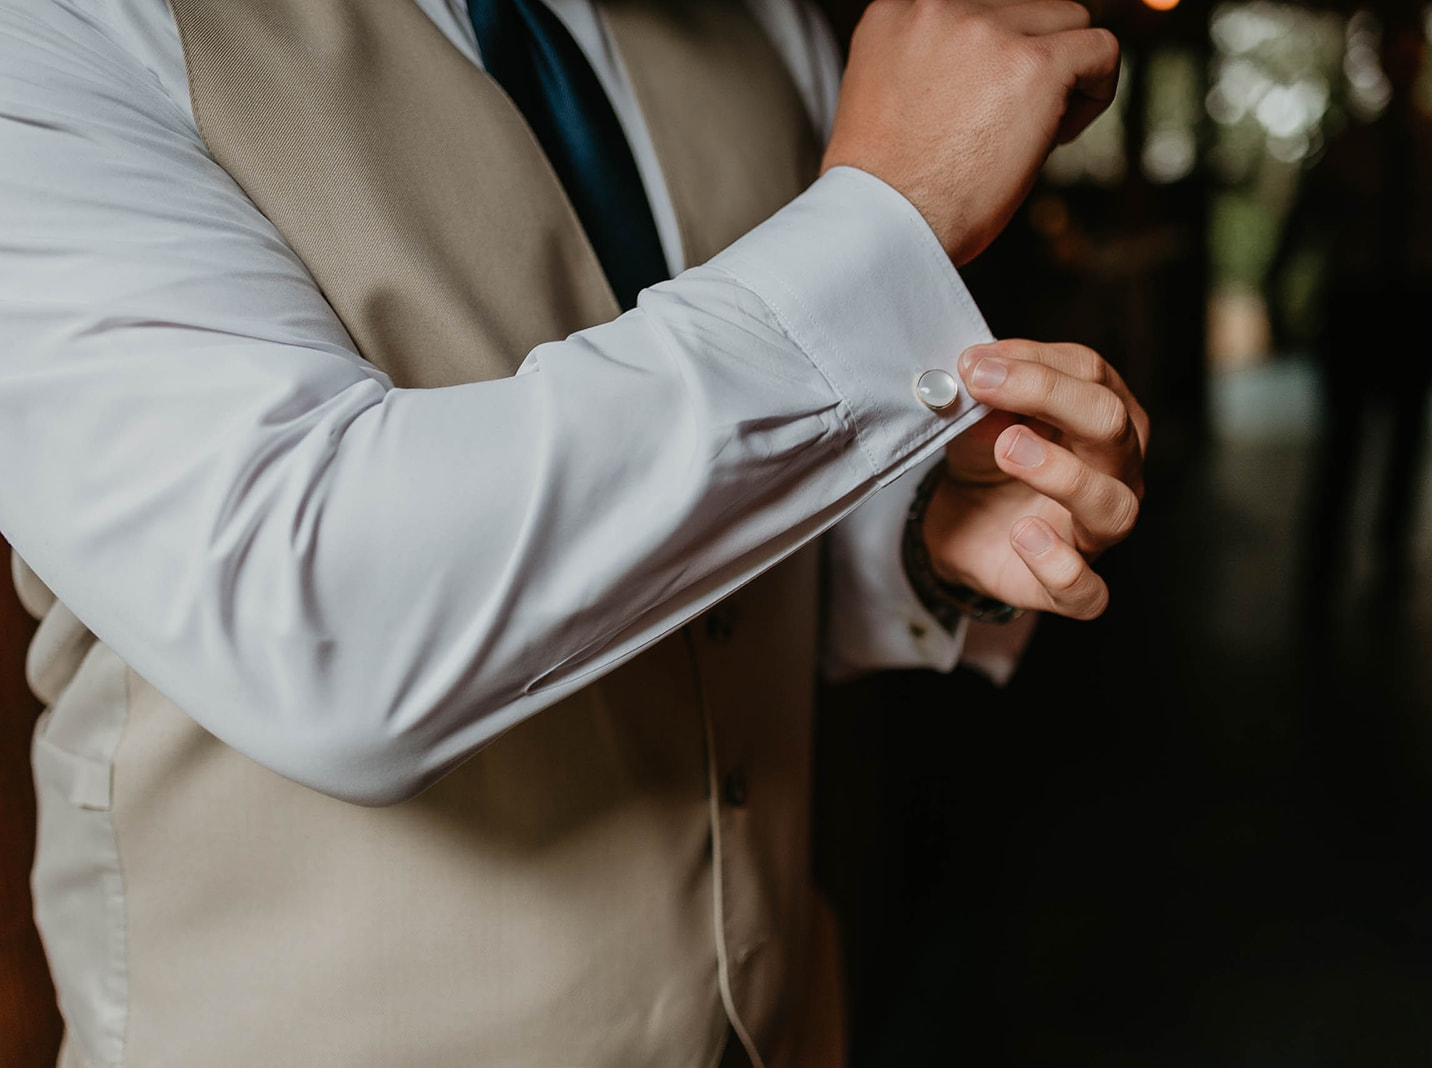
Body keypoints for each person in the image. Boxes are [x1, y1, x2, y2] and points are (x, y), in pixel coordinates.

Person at [0, 1, 1143, 1065]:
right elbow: (319, 623)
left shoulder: (762, 24)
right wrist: (895, 212)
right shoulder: (57, 35)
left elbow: (717, 527)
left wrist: (916, 528)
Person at [1267, 17, 1432, 619]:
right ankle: (1322, 568)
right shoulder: (1348, 144)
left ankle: (1390, 560)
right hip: (1357, 308)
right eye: (1395, 50)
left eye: (1412, 51)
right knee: (1341, 443)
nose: (1405, 62)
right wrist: (1275, 292)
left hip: (1419, 306)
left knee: (1409, 443)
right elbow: (1303, 224)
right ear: (1382, 60)